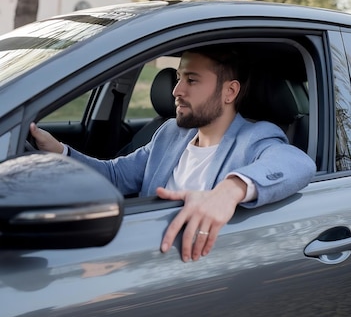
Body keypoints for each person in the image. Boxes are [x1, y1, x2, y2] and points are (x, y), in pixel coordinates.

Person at [30, 46, 316, 262]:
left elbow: (296, 163)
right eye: (178, 77)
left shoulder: (255, 138)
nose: (176, 90)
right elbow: (115, 175)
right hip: (142, 256)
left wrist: (230, 190)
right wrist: (59, 152)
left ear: (229, 92)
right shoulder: (171, 133)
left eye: (191, 80)